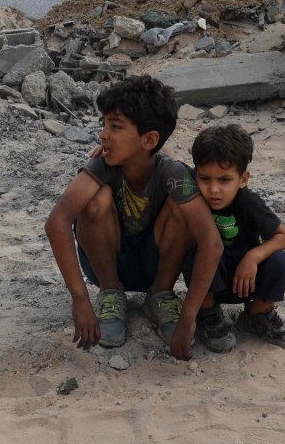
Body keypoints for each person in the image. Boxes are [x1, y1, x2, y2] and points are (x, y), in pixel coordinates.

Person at [44, 76, 223, 360]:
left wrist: (189, 316)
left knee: (185, 207)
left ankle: (162, 295)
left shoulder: (172, 172)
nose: (103, 135)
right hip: (110, 264)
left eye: (115, 127)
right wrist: (80, 299)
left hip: (157, 265)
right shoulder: (101, 166)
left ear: (149, 139)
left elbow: (211, 242)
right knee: (96, 199)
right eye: (104, 124)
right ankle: (111, 293)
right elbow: (57, 221)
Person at [184, 123, 285, 351]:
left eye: (224, 180)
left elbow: (282, 237)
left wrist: (253, 257)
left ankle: (258, 313)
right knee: (193, 254)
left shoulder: (248, 202)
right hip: (210, 280)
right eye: (205, 179)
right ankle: (208, 314)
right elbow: (165, 164)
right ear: (195, 175)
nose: (214, 189)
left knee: (284, 263)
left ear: (243, 179)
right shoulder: (193, 197)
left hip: (247, 279)